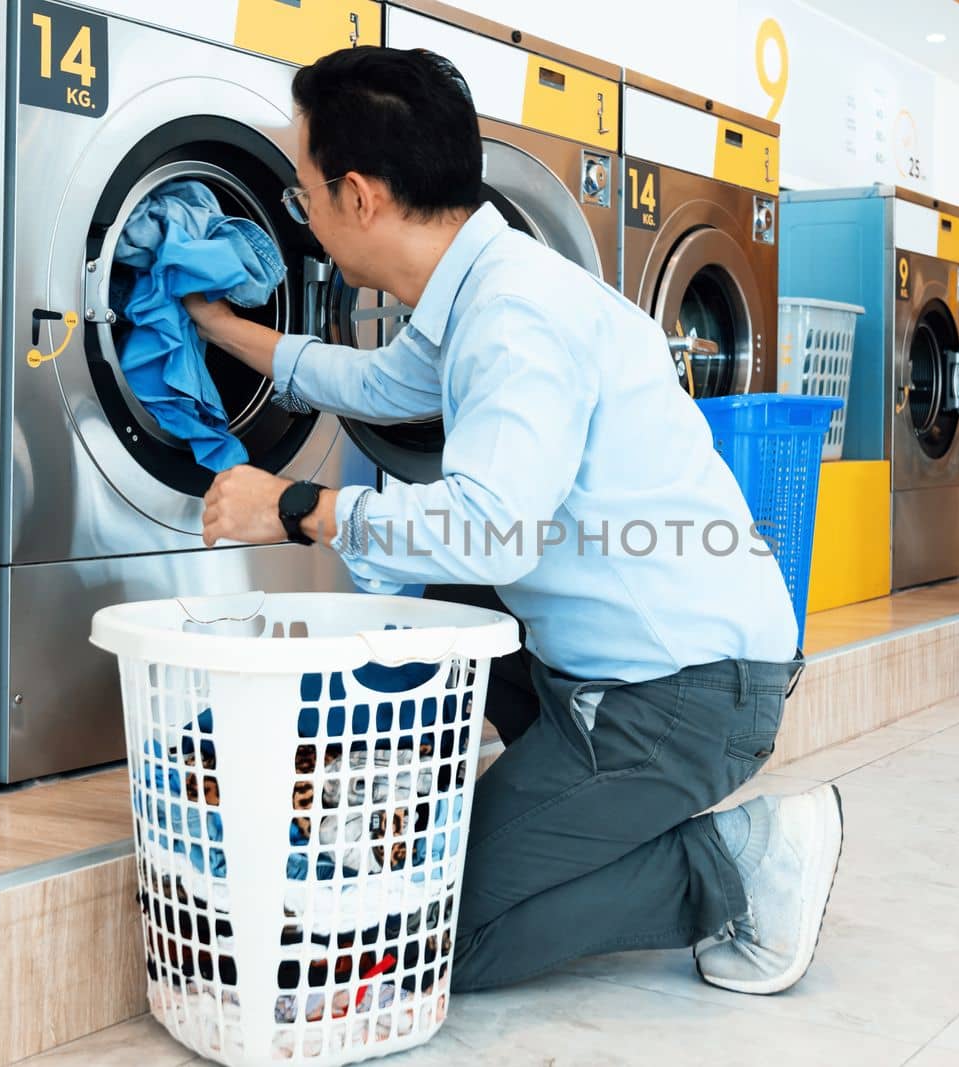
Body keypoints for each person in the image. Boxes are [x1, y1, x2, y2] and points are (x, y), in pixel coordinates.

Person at [182, 46, 843, 995]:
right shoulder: (481, 283)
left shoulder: (514, 316)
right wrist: (224, 331)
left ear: (360, 196)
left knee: (432, 942)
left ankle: (737, 861)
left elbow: (493, 530)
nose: (305, 215)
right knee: (444, 595)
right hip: (632, 665)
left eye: (304, 193)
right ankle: (478, 812)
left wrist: (293, 507)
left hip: (681, 699)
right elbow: (374, 383)